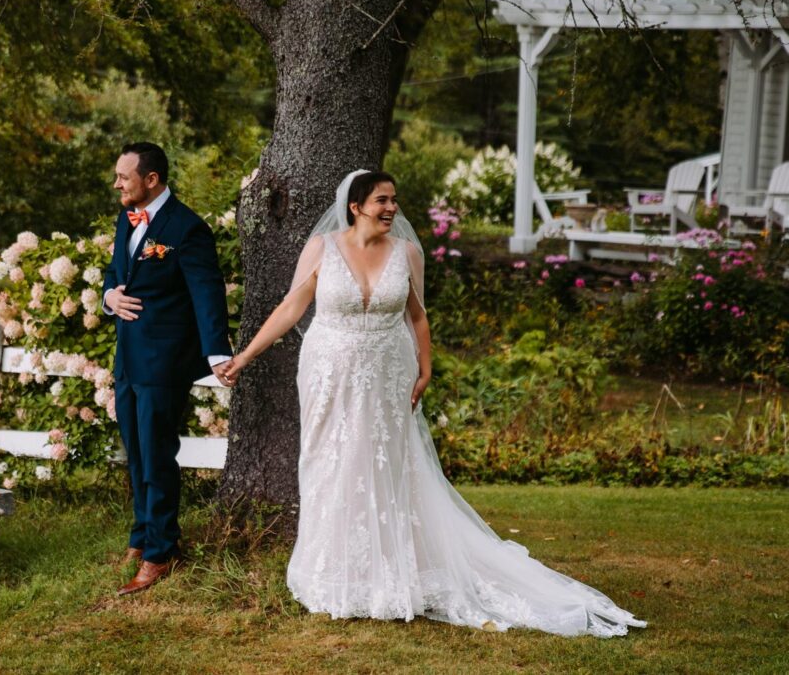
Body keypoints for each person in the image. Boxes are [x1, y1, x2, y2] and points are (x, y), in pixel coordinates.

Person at [220, 170, 646, 636]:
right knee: (331, 464)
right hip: (329, 375)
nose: (391, 209)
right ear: (356, 205)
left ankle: (390, 574)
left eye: (394, 201)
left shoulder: (406, 253)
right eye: (381, 200)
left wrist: (426, 368)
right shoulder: (323, 248)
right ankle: (333, 575)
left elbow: (418, 316)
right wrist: (244, 357)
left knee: (385, 465)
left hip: (387, 373)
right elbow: (290, 308)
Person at [103, 142, 232, 596]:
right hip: (128, 358)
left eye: (124, 176)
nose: (117, 183)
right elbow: (114, 271)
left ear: (151, 179)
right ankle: (142, 537)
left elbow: (206, 292)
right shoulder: (127, 217)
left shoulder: (188, 228)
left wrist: (217, 353)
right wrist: (109, 297)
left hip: (165, 361)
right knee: (135, 451)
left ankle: (161, 552)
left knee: (157, 454)